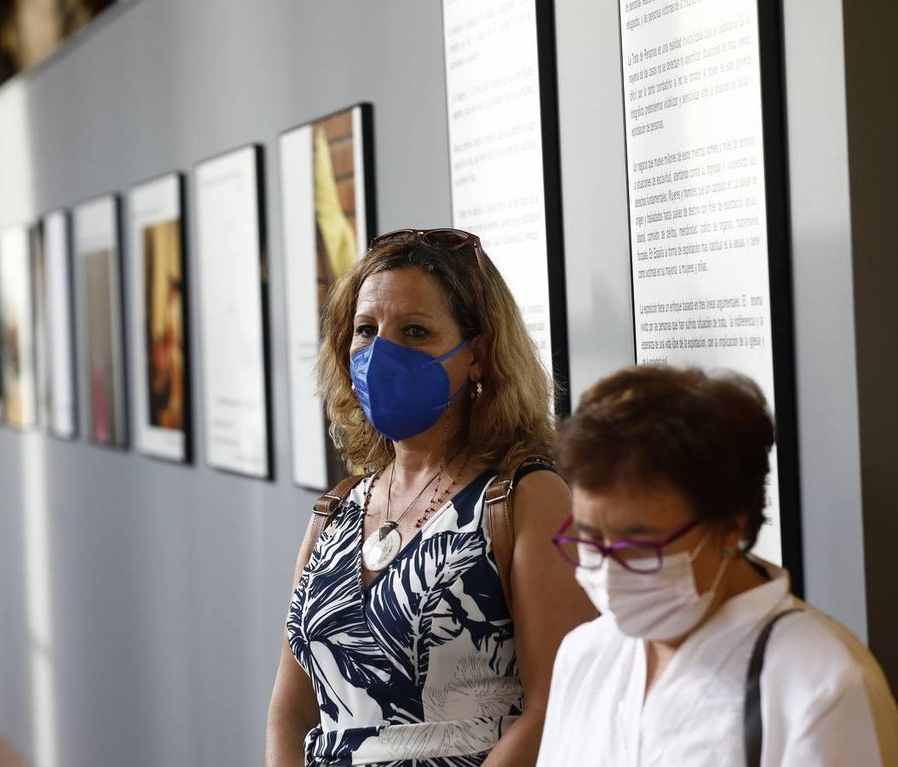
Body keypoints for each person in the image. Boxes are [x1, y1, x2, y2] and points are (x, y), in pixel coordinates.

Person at [265, 228, 596, 767]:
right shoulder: (335, 512)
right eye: (366, 330)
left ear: (479, 356)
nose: (382, 353)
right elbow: (291, 711)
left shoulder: (524, 498)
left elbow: (556, 704)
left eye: (415, 331)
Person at [536, 365, 898, 766]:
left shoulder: (824, 687)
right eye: (588, 538)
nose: (607, 568)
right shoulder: (586, 654)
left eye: (638, 544)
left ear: (730, 527)